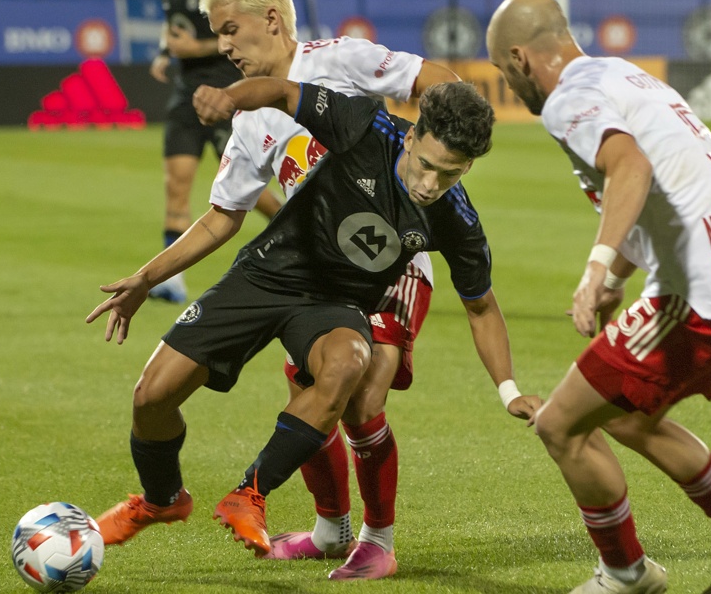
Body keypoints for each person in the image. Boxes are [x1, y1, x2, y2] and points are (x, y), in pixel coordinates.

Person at [88, 78, 540, 579]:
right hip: (265, 275)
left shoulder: (456, 220)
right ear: (412, 138)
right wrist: (229, 100)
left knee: (349, 365)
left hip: (335, 305)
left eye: (450, 174)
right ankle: (162, 499)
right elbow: (283, 93)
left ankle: (251, 493)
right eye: (427, 165)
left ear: (468, 167)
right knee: (152, 396)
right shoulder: (365, 125)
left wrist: (509, 390)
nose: (430, 185)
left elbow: (481, 308)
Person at [486, 0, 711, 594]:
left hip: (702, 295)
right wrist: (624, 276)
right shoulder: (624, 76)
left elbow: (631, 167)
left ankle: (627, 575)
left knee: (560, 425)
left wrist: (596, 269)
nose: (508, 82)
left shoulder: (567, 101)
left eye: (503, 70)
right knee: (628, 417)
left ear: (521, 58)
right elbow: (660, 186)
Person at [187, 0, 468, 579]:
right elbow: (225, 213)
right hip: (318, 275)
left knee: (362, 401)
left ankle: (380, 540)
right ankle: (331, 529)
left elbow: (437, 81)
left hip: (393, 260)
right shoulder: (249, 119)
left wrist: (447, 145)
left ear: (270, 17)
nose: (224, 47)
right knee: (310, 393)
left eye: (229, 30)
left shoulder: (341, 59)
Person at [147, 0, 282, 304]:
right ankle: (172, 282)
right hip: (185, 100)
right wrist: (166, 52)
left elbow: (240, 34)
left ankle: (304, 231)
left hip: (226, 96)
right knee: (176, 187)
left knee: (254, 192)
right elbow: (176, 28)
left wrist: (197, 49)